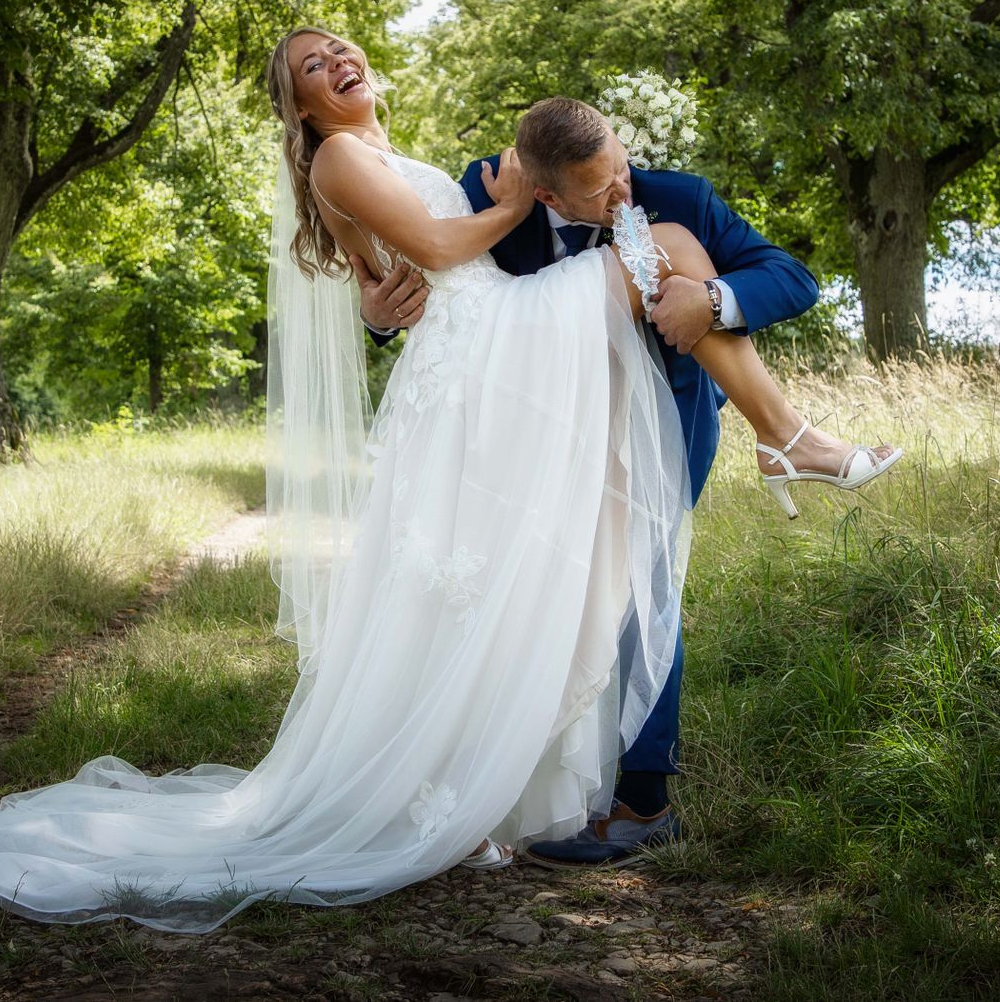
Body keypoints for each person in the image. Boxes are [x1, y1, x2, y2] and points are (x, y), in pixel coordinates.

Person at [0, 26, 887, 935]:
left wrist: (703, 301)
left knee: (595, 572)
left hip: (584, 381)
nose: (336, 61)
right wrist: (493, 222)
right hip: (502, 358)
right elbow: (437, 250)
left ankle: (583, 769)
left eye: (339, 48)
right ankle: (786, 440)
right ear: (301, 106)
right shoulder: (401, 166)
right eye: (312, 66)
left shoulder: (428, 164)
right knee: (659, 262)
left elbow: (408, 266)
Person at [358, 97, 899, 867]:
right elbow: (439, 288)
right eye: (601, 188)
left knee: (642, 584)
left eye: (621, 166)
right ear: (545, 194)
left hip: (666, 415)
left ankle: (644, 803)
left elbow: (794, 278)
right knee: (534, 589)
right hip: (537, 430)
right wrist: (379, 315)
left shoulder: (679, 197)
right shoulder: (485, 193)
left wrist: (714, 299)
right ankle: (509, 777)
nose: (624, 192)